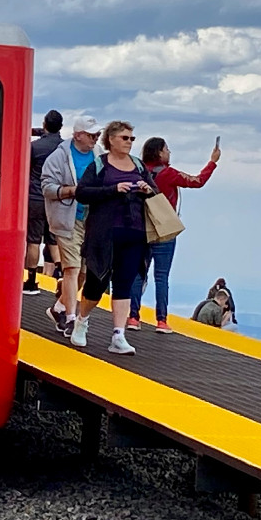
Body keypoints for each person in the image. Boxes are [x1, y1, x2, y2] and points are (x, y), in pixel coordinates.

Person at [71, 120, 158, 355]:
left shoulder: (139, 166)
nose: (129, 142)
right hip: (104, 235)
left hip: (135, 234)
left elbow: (155, 193)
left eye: (132, 139)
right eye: (124, 138)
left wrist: (147, 190)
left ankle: (119, 335)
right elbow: (82, 193)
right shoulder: (100, 165)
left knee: (124, 285)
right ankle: (82, 319)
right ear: (110, 139)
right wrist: (112, 190)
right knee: (96, 283)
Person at [127, 136, 220, 334]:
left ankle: (133, 317)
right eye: (167, 149)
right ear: (160, 152)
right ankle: (161, 320)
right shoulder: (168, 173)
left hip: (140, 228)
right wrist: (213, 162)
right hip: (164, 229)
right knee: (161, 277)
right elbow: (198, 181)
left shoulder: (138, 170)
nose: (169, 153)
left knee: (137, 274)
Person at [41, 116, 101, 337]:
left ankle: (58, 308)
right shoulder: (59, 157)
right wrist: (72, 191)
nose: (95, 139)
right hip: (67, 218)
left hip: (90, 219)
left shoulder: (98, 154)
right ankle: (70, 317)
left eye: (97, 135)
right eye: (92, 134)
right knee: (72, 269)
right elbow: (47, 187)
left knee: (84, 271)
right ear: (78, 135)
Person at [23, 110, 63, 294]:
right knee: (53, 240)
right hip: (56, 197)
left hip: (36, 197)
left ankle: (30, 282)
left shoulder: (35, 147)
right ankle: (61, 273)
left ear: (45, 124)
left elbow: (25, 170)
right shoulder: (64, 148)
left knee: (33, 241)